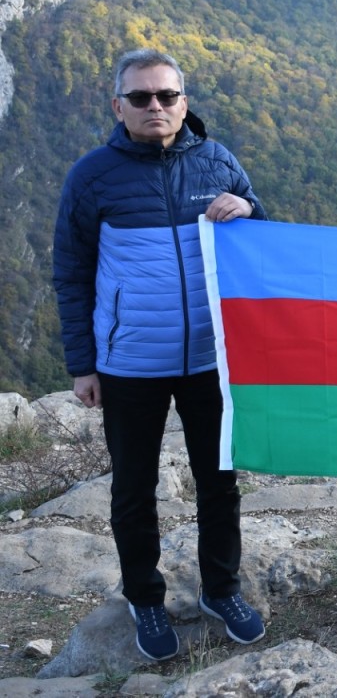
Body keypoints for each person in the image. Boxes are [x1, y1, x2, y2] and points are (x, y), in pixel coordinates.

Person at [52, 49, 268, 661]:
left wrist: (248, 209)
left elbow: (265, 235)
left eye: (167, 96)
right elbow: (70, 272)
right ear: (118, 105)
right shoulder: (92, 176)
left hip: (210, 357)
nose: (156, 107)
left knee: (219, 481)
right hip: (129, 362)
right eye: (141, 97)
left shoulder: (217, 161)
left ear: (184, 101)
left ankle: (221, 588)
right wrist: (83, 363)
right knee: (133, 489)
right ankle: (145, 598)